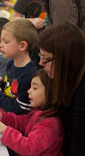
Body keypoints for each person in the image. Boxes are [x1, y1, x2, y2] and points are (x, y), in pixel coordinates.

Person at [0, 69, 63, 155]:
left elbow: (30, 148)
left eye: (34, 88)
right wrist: (1, 116)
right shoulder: (39, 112)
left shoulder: (50, 124)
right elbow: (21, 122)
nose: (29, 91)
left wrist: (5, 131)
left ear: (51, 92)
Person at [37, 22, 85, 155]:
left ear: (65, 59)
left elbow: (78, 144)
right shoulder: (63, 79)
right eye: (40, 57)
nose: (40, 63)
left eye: (45, 59)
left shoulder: (81, 94)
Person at [0, 19, 37, 114]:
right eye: (1, 41)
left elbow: (22, 108)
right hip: (7, 116)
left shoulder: (29, 74)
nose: (1, 45)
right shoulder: (11, 64)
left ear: (22, 46)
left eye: (6, 42)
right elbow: (9, 90)